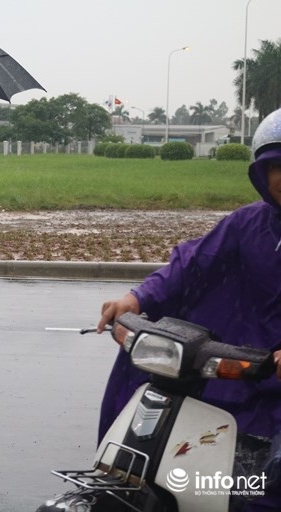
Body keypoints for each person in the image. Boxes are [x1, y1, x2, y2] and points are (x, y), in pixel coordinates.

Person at [93, 108, 281, 510]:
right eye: (276, 166)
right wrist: (137, 298)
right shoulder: (247, 224)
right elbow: (191, 263)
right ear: (261, 174)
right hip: (238, 369)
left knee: (266, 488)